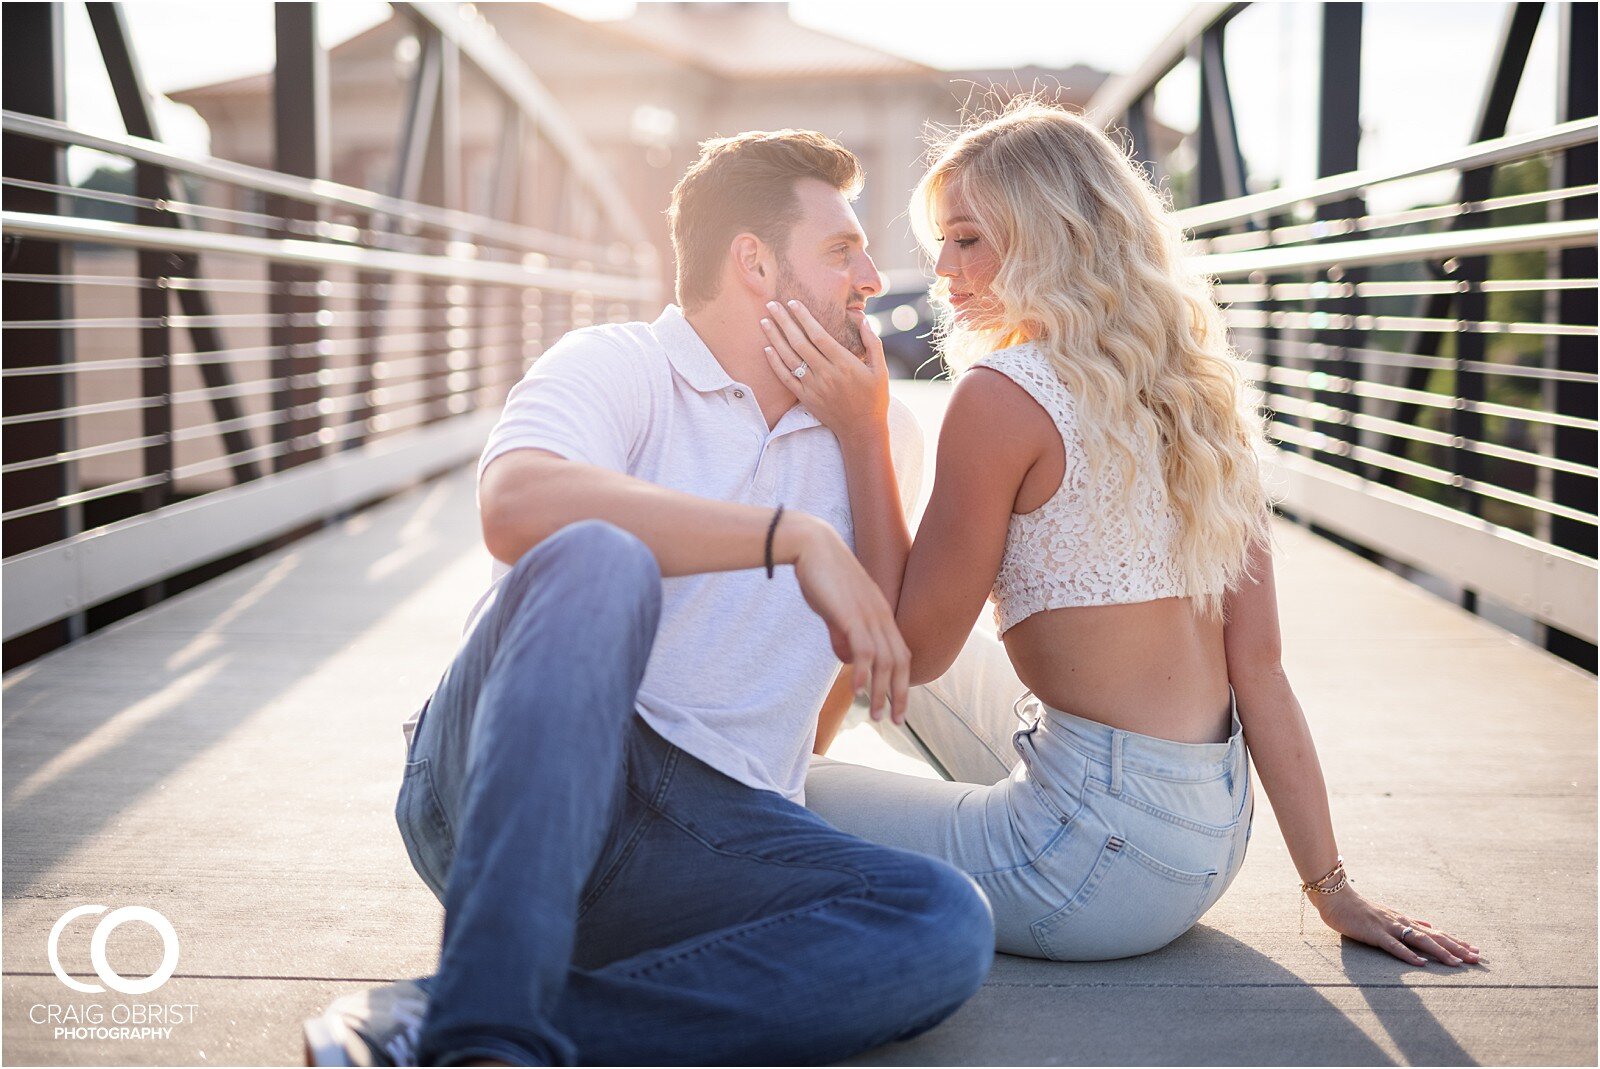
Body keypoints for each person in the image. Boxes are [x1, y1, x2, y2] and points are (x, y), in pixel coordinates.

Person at [303, 129, 993, 1067]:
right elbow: (516, 504)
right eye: (840, 250)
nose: (873, 276)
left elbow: (887, 652)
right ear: (753, 262)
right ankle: (484, 1037)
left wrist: (865, 441)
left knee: (942, 919)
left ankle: (452, 1015)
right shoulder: (618, 365)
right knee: (597, 556)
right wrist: (787, 536)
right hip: (521, 777)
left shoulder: (881, 435)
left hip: (710, 837)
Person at [758, 99, 1482, 968]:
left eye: (968, 239)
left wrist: (862, 429)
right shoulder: (1199, 392)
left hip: (1085, 867)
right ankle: (802, 781)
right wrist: (1330, 887)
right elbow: (1259, 669)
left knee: (746, 788)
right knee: (821, 727)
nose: (941, 267)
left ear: (1051, 237)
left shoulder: (1001, 396)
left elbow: (911, 649)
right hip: (1206, 840)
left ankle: (763, 817)